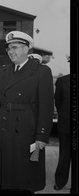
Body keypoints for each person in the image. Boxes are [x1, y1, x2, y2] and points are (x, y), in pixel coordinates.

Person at [0, 31, 54, 192]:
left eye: (15, 47)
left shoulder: (41, 71)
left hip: (27, 130)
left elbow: (46, 107)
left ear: (26, 49)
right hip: (3, 128)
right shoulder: (3, 71)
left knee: (25, 177)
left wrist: (42, 136)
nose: (11, 52)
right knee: (6, 175)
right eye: (8, 48)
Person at [54, 56, 70, 191]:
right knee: (64, 155)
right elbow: (57, 103)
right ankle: (60, 182)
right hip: (66, 125)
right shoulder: (62, 81)